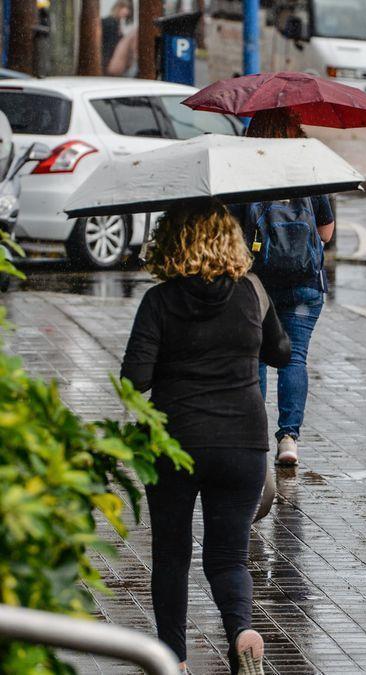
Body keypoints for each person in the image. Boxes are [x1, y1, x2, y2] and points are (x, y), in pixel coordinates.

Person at [121, 201, 291, 675]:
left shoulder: (159, 301)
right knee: (229, 555)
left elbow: (133, 379)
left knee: (172, 556)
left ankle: (172, 661)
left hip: (175, 440)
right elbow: (282, 352)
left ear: (171, 241)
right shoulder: (252, 291)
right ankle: (241, 631)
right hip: (242, 441)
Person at [229, 109, 336, 467]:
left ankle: (254, 435)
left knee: (256, 357)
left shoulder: (244, 169)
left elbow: (232, 229)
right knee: (295, 358)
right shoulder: (308, 166)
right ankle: (288, 438)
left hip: (256, 284)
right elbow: (326, 232)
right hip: (305, 283)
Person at [101, 0, 132, 73]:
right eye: (124, 10)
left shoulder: (115, 23)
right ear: (118, 9)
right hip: (109, 58)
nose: (126, 13)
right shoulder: (111, 23)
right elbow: (111, 43)